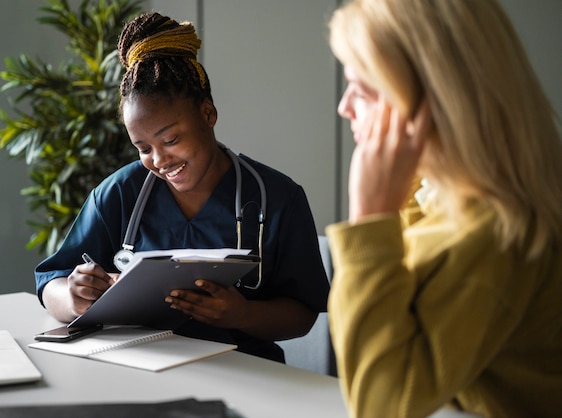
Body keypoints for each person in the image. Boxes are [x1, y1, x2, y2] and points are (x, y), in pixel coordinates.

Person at [34, 12, 330, 363]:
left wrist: (242, 315)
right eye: (143, 148)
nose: (159, 159)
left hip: (246, 372)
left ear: (208, 114)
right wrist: (73, 296)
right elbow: (50, 282)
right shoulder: (119, 194)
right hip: (137, 367)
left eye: (170, 139)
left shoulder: (278, 199)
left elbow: (303, 315)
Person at [326, 0, 562, 417]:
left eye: (361, 90)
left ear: (431, 104)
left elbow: (380, 406)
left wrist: (369, 218)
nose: (344, 107)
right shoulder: (446, 197)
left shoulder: (493, 233)